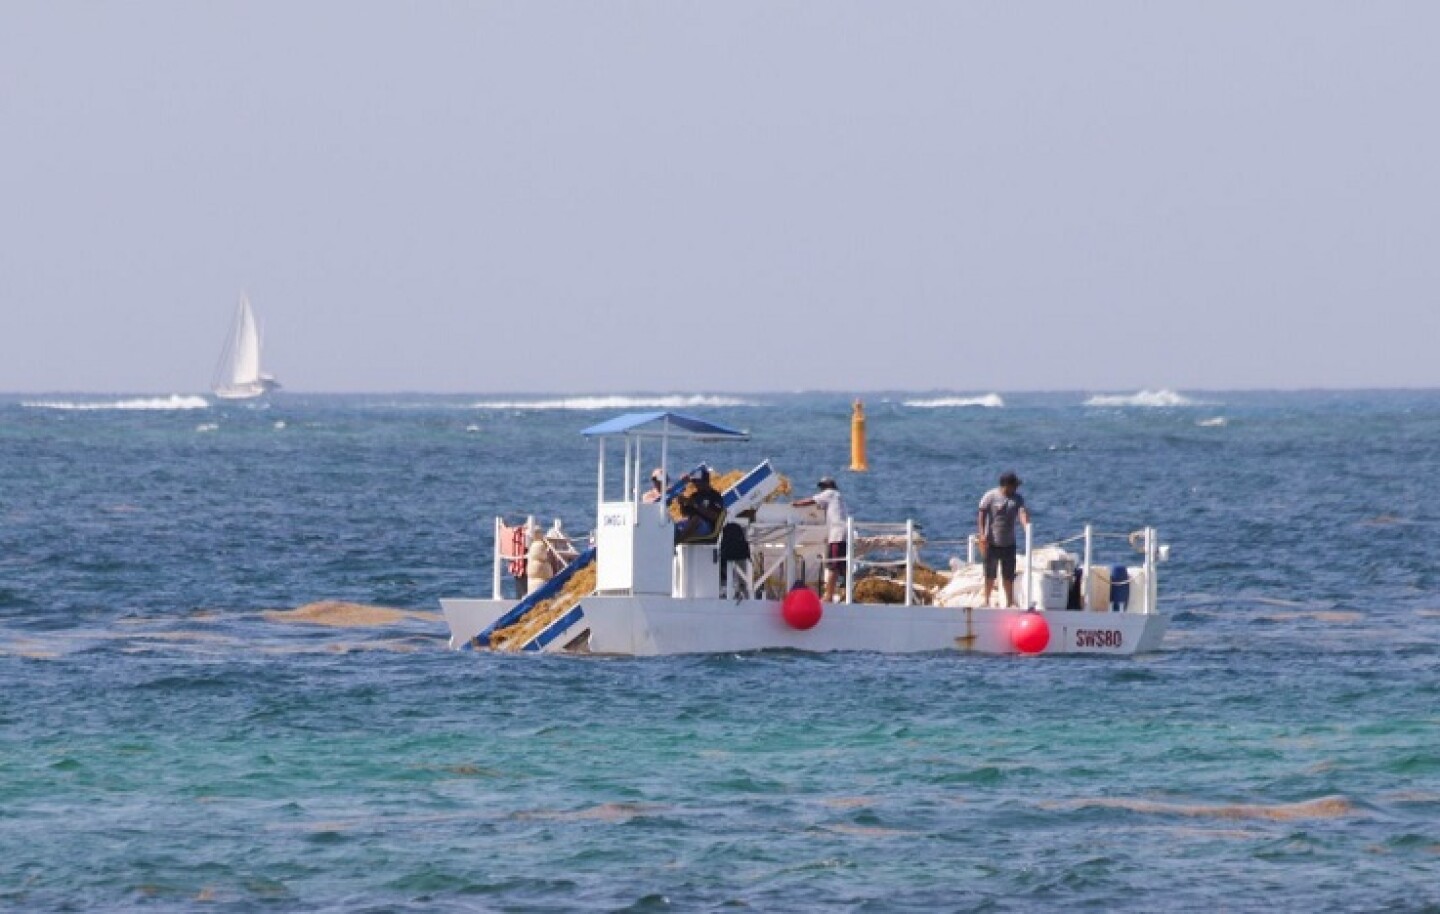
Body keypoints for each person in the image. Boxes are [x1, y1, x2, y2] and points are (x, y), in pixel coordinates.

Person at [977, 471, 1031, 607]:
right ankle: (986, 600)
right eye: (1014, 485)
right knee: (990, 573)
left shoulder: (1017, 499)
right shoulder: (990, 496)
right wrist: (982, 534)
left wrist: (1026, 527)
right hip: (992, 543)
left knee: (1008, 575)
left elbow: (1022, 512)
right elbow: (982, 514)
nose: (1016, 488)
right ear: (1006, 485)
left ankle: (1009, 602)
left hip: (1009, 543)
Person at [794, 476, 850, 603]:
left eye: (822, 487)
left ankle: (828, 596)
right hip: (843, 533)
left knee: (833, 566)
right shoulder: (838, 496)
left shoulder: (830, 494)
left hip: (837, 535)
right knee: (842, 566)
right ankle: (848, 593)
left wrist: (794, 504)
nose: (821, 490)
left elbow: (810, 501)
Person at [675, 466, 724, 543]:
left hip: (708, 527)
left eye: (697, 482)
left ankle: (676, 542)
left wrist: (695, 505)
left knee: (696, 519)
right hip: (692, 525)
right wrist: (682, 504)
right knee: (673, 525)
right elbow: (685, 514)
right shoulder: (695, 495)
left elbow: (715, 516)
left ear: (705, 481)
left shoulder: (715, 496)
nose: (695, 484)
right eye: (694, 482)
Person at [525, 521, 554, 592]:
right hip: (540, 581)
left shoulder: (535, 546)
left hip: (537, 580)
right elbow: (541, 555)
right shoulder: (539, 545)